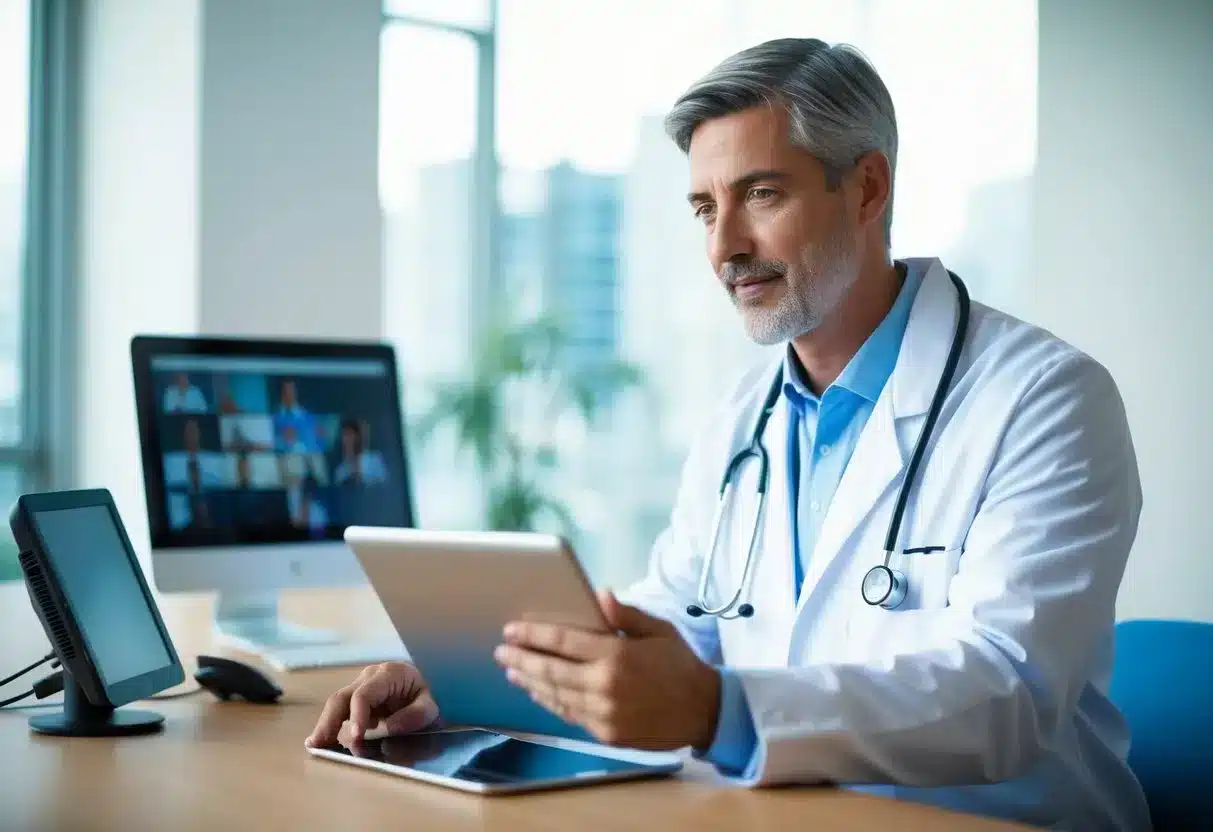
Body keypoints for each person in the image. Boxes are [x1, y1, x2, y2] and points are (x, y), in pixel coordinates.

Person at [306, 38, 1147, 831]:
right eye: (704, 206)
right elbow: (682, 616)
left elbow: (1010, 690)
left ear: (866, 188)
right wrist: (474, 677)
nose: (723, 247)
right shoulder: (743, 413)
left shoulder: (1042, 398)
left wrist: (720, 712)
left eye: (761, 195)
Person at [333, 418, 388, 486]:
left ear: (358, 437)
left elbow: (384, 483)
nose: (347, 440)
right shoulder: (340, 470)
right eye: (344, 436)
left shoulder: (375, 459)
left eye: (349, 435)